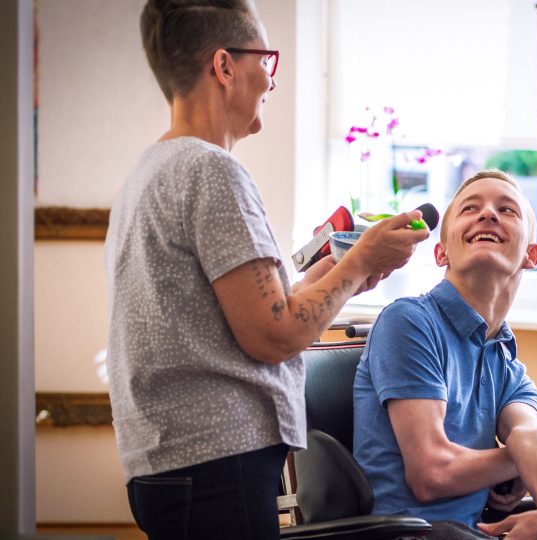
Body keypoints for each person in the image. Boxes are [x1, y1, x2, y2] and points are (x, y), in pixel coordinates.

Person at [104, 1, 430, 538]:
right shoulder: (213, 172)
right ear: (225, 66)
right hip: (215, 464)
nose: (271, 82)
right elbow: (275, 335)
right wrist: (360, 260)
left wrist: (333, 276)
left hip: (167, 463)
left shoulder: (150, 171)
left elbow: (240, 317)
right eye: (266, 60)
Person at [353, 170, 537, 539]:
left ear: (532, 255)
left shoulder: (508, 366)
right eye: (471, 208)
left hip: (475, 530)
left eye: (507, 210)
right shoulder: (408, 322)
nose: (488, 214)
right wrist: (521, 462)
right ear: (440, 251)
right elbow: (431, 474)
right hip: (413, 533)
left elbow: (532, 435)